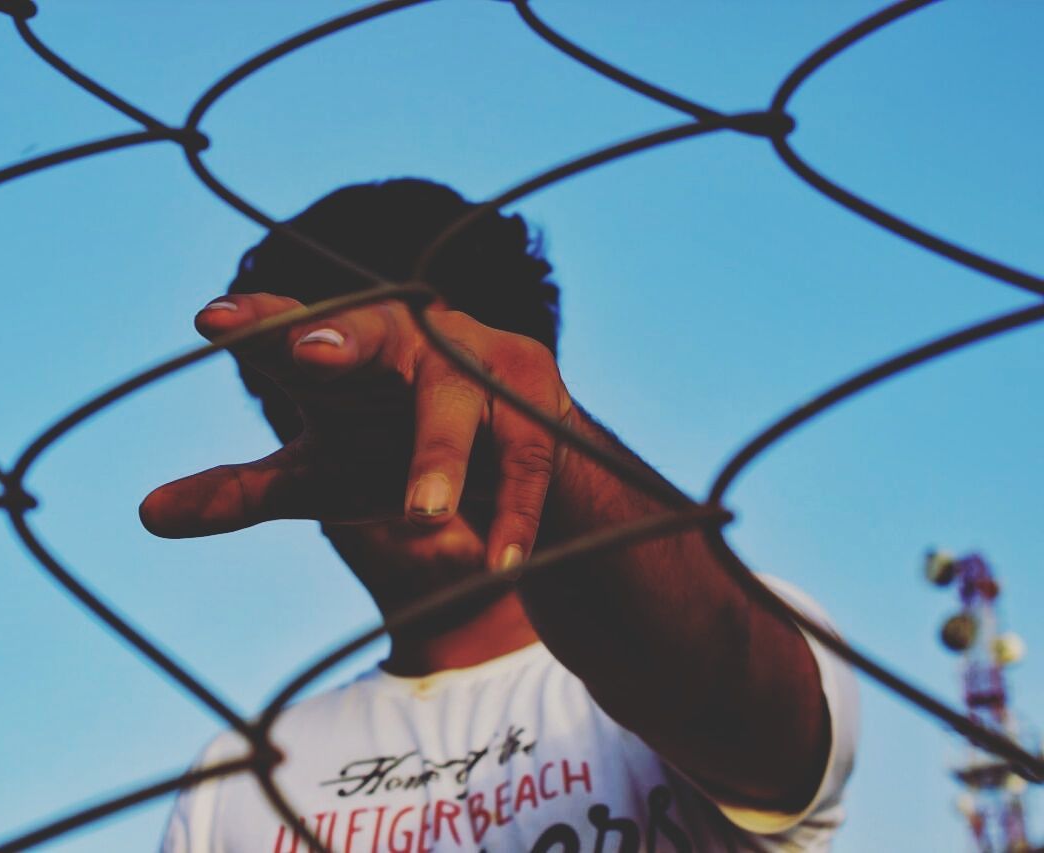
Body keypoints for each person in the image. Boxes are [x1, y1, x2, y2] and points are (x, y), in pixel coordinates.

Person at [141, 179, 858, 852]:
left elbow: (754, 715)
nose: (410, 443)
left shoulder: (716, 635)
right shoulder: (234, 783)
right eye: (352, 407)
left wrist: (543, 447)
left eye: (441, 383)